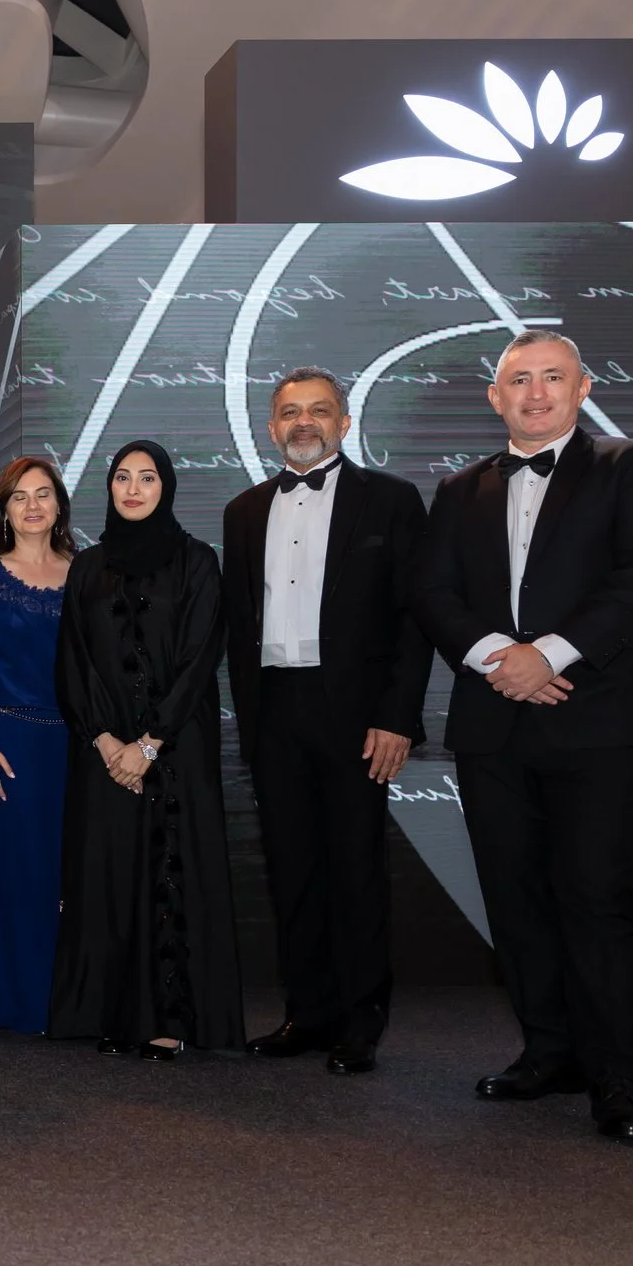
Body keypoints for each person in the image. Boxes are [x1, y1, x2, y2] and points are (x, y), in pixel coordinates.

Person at [412, 329, 633, 1143]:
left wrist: (548, 656)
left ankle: (616, 1078)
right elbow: (433, 591)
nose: (535, 393)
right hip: (495, 723)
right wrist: (502, 659)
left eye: (551, 378)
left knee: (597, 901)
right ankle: (548, 1051)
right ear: (495, 397)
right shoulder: (458, 489)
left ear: (583, 387)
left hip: (597, 722)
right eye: (518, 380)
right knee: (516, 899)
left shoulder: (630, 464)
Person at [222, 367, 432, 1076]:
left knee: (356, 869)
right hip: (274, 709)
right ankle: (306, 1013)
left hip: (355, 715)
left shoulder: (392, 502)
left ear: (344, 421)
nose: (302, 422)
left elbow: (413, 619)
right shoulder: (244, 510)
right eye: (289, 412)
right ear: (272, 427)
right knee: (293, 871)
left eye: (318, 410)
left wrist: (397, 715)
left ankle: (360, 1020)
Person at [51, 439, 242, 1058]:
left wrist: (150, 744)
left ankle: (173, 1018)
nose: (133, 490)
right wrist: (108, 743)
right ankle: (115, 1013)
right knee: (109, 875)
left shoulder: (196, 562)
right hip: (103, 751)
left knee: (170, 874)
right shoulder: (88, 566)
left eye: (148, 478)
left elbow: (198, 660)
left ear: (167, 488)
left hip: (176, 747)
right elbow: (73, 662)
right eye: (122, 479)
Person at [0, 457, 73, 1033]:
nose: (32, 506)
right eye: (19, 497)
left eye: (43, 494)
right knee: (15, 874)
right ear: (4, 509)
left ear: (58, 505)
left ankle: (68, 1000)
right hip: (9, 746)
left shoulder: (85, 572)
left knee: (64, 875)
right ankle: (17, 1003)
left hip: (76, 747)